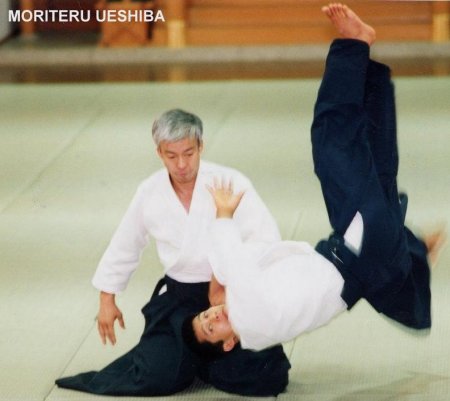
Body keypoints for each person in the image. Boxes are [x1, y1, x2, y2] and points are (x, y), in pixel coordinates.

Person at [182, 3, 446, 354]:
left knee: (375, 155)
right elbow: (238, 267)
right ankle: (355, 44)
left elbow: (255, 253)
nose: (213, 316)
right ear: (229, 343)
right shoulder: (253, 323)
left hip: (359, 251)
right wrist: (224, 216)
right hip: (357, 251)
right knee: (331, 144)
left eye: (205, 315)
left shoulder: (255, 305)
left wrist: (219, 277)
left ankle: (410, 251)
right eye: (211, 328)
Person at [55, 109, 290, 396]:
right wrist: (107, 298)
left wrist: (227, 278)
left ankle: (197, 364)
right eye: (171, 155)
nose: (181, 164)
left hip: (228, 300)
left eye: (188, 153)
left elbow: (265, 239)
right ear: (159, 153)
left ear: (201, 145)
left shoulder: (230, 182)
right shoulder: (150, 191)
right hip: (179, 302)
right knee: (154, 377)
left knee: (269, 376)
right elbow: (126, 243)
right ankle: (196, 360)